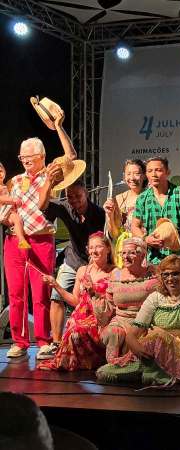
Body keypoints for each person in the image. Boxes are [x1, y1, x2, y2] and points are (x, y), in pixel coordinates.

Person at [4, 109, 77, 360]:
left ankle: (44, 341)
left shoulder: (51, 174)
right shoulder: (15, 181)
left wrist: (58, 126)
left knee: (42, 292)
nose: (25, 160)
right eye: (22, 157)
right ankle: (19, 342)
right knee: (16, 293)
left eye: (30, 156)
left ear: (42, 156)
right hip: (14, 240)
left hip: (41, 239)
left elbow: (71, 156)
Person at [96, 255, 180, 386]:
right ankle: (149, 369)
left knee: (157, 334)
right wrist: (137, 348)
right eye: (166, 274)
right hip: (156, 349)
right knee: (105, 372)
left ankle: (157, 372)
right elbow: (132, 335)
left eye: (175, 274)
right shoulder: (155, 297)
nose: (170, 278)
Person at [38, 179, 105, 359]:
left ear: (86, 194)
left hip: (92, 262)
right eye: (70, 196)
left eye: (78, 196)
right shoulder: (65, 207)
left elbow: (104, 241)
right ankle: (56, 343)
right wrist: (49, 182)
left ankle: (96, 344)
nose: (74, 200)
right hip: (72, 259)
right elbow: (42, 205)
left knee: (93, 302)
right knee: (56, 295)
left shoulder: (99, 213)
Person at [38, 233, 114, 371]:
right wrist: (56, 285)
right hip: (81, 315)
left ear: (108, 248)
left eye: (98, 247)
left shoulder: (115, 272)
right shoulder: (82, 270)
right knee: (73, 325)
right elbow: (75, 301)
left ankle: (90, 360)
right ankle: (76, 362)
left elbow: (116, 301)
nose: (94, 251)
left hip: (101, 316)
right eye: (91, 247)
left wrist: (94, 292)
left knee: (77, 329)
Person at [131, 157, 180, 266]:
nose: (153, 174)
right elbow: (134, 226)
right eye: (150, 171)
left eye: (158, 170)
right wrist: (145, 239)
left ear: (168, 172)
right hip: (154, 261)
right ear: (146, 174)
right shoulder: (142, 198)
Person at [100, 237, 157, 364]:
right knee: (112, 333)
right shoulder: (116, 274)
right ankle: (114, 365)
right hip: (121, 320)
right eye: (123, 253)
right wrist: (94, 295)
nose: (126, 257)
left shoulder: (153, 273)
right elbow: (109, 303)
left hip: (146, 321)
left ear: (142, 255)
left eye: (131, 253)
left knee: (150, 341)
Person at [103, 159, 147, 267]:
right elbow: (115, 234)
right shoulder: (119, 199)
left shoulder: (150, 196)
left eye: (136, 173)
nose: (132, 178)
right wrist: (110, 215)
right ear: (124, 177)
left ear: (144, 176)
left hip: (144, 248)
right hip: (124, 250)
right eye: (128, 174)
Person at [0, 162, 30, 250]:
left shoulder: (6, 185)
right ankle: (21, 240)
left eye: (0, 171)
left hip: (10, 212)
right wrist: (12, 200)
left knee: (18, 221)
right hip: (3, 213)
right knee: (17, 219)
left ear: (4, 172)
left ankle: (20, 238)